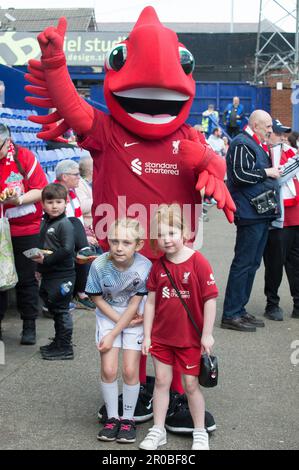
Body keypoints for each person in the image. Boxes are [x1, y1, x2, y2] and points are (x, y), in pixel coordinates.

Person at [139, 204, 218, 451]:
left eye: (172, 233)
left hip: (191, 339)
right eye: (161, 235)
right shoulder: (158, 267)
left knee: (191, 386)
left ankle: (199, 431)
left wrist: (207, 334)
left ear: (184, 233)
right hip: (162, 338)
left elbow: (210, 299)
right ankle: (158, 430)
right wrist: (147, 335)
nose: (166, 239)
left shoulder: (198, 262)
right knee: (162, 382)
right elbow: (150, 302)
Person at [85, 218, 152, 443]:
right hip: (108, 315)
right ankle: (112, 417)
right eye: (114, 241)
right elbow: (95, 297)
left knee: (130, 370)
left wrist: (125, 324)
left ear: (138, 245)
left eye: (126, 242)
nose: (119, 247)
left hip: (135, 316)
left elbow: (135, 302)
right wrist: (116, 326)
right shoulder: (99, 264)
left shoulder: (144, 266)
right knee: (109, 369)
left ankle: (128, 419)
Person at [221, 110, 281, 332]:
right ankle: (231, 314)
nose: (270, 131)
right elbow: (239, 175)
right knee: (244, 263)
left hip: (259, 212)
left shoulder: (253, 143)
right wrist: (269, 172)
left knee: (252, 263)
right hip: (249, 213)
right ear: (255, 125)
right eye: (267, 127)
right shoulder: (240, 143)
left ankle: (239, 309)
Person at [0, 123, 48, 345]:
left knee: (26, 278)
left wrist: (17, 199)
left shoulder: (24, 157)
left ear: (8, 141)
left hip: (25, 229)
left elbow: (40, 190)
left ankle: (29, 324)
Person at [34, 183, 75, 360]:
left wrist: (46, 261)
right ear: (42, 204)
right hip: (50, 273)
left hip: (63, 275)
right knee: (54, 309)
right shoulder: (46, 221)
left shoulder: (64, 224)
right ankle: (58, 342)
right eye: (50, 202)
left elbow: (67, 250)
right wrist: (39, 267)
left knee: (61, 310)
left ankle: (65, 347)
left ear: (66, 203)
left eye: (59, 202)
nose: (55, 206)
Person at [264, 119, 299, 321]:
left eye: (284, 133)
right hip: (280, 218)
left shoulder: (290, 150)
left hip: (296, 215)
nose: (283, 136)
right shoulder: (267, 153)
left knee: (296, 263)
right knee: (275, 264)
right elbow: (278, 178)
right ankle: (272, 304)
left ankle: (298, 303)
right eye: (278, 132)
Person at [54, 159, 95, 310]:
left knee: (90, 249)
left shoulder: (71, 192)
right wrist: (83, 238)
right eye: (76, 174)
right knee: (83, 252)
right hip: (58, 236)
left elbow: (77, 220)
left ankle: (83, 292)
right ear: (64, 177)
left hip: (73, 233)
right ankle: (80, 293)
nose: (79, 177)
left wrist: (87, 234)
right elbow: (61, 220)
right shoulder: (55, 193)